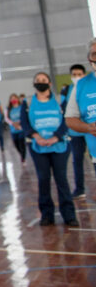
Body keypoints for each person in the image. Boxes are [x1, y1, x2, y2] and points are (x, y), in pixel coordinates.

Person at [21, 72, 78, 227]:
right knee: (43, 179)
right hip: (38, 147)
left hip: (59, 145)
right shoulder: (27, 102)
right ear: (34, 84)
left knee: (61, 180)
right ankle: (47, 215)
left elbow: (68, 119)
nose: (41, 82)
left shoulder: (60, 100)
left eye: (44, 80)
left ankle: (69, 215)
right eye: (38, 80)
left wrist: (56, 137)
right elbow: (25, 124)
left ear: (50, 83)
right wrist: (36, 136)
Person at [66, 39, 96, 191]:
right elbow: (70, 118)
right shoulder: (81, 85)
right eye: (94, 54)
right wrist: (88, 127)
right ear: (89, 58)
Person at [61, 64, 87, 199]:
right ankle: (79, 189)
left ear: (84, 74)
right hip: (75, 132)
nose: (77, 77)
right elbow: (64, 111)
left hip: (91, 130)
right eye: (74, 74)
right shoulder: (67, 91)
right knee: (77, 160)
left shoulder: (89, 87)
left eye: (79, 74)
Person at [6, 93, 26, 164]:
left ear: (17, 99)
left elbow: (24, 116)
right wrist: (13, 123)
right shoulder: (8, 109)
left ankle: (23, 158)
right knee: (16, 144)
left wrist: (19, 122)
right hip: (13, 129)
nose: (13, 100)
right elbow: (7, 118)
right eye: (12, 98)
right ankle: (21, 154)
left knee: (22, 143)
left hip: (21, 128)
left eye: (15, 98)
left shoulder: (21, 107)